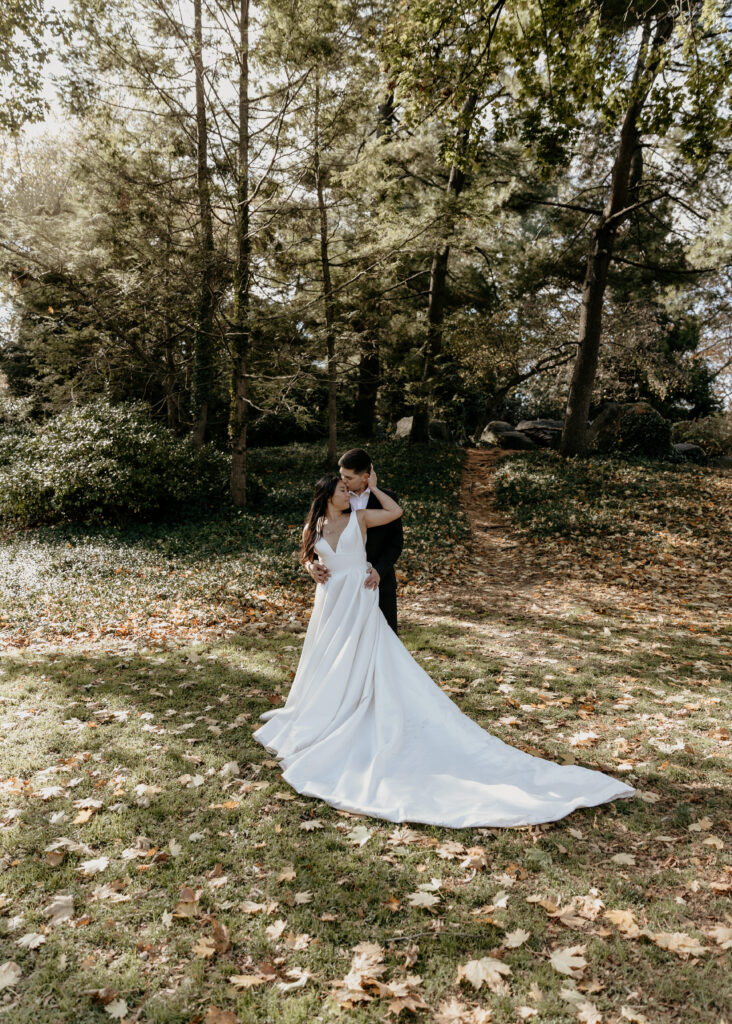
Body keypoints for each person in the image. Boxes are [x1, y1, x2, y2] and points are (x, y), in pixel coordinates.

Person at [253, 467, 635, 828]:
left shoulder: (361, 516)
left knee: (366, 655)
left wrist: (373, 488)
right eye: (342, 489)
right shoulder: (315, 524)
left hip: (359, 593)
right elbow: (308, 555)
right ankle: (326, 706)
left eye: (349, 487)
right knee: (329, 656)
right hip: (331, 599)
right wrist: (311, 569)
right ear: (325, 497)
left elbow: (396, 511)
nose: (348, 491)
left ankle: (359, 703)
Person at [304, 447, 403, 633]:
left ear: (366, 476)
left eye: (348, 478)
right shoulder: (338, 499)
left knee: (384, 642)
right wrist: (311, 566)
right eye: (342, 476)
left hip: (376, 582)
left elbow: (395, 543)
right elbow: (317, 547)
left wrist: (379, 571)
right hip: (338, 587)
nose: (343, 481)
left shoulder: (387, 499)